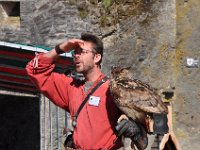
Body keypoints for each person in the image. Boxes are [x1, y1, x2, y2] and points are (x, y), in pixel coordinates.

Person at [26, 33, 148, 150]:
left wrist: (135, 131)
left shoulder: (115, 89)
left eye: (82, 52)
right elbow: (34, 70)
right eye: (75, 53)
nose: (76, 56)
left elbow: (143, 143)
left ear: (97, 57)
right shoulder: (71, 87)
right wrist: (60, 49)